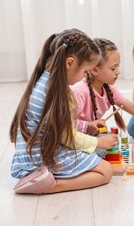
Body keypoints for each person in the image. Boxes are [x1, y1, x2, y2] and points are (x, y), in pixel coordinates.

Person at [10, 29, 117, 194]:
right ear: (69, 63)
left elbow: (61, 126)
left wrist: (87, 126)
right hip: (43, 158)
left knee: (97, 150)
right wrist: (97, 143)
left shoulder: (46, 81)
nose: (84, 77)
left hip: (33, 155)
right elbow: (67, 137)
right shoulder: (57, 93)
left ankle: (42, 178)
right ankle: (48, 184)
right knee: (105, 171)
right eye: (84, 71)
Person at [71, 38, 134, 143]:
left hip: (87, 134)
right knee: (102, 149)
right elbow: (64, 127)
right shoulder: (79, 92)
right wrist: (88, 126)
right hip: (73, 136)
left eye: (118, 66)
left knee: (113, 141)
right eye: (113, 68)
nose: (118, 72)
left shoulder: (108, 88)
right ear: (94, 69)